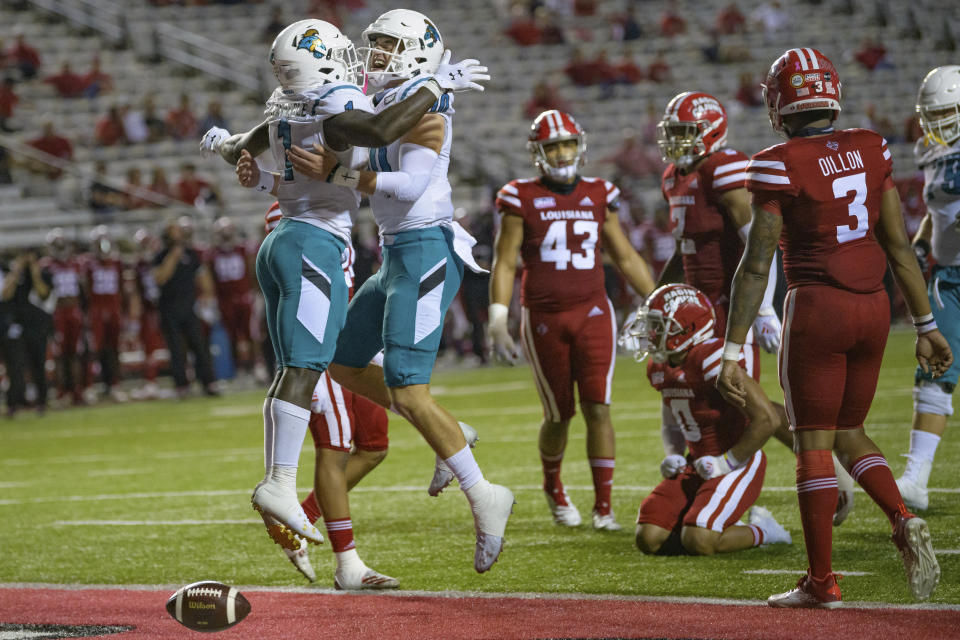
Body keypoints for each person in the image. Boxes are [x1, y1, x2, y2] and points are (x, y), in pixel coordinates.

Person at [202, 17, 494, 585]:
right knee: (312, 377)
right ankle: (284, 488)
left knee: (325, 379)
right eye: (363, 46)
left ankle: (435, 444)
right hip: (315, 241)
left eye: (384, 45)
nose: (368, 55)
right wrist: (440, 83)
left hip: (291, 237)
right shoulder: (336, 103)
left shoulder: (285, 102)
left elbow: (261, 155)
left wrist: (230, 151)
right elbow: (382, 130)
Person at [716, 47, 952, 607]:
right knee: (849, 429)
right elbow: (898, 245)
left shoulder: (778, 161)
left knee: (813, 445)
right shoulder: (872, 148)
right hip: (873, 307)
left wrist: (731, 348)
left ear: (780, 101)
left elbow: (757, 262)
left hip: (818, 306)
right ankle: (899, 516)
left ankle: (821, 582)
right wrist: (925, 323)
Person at [282, 10, 513, 575]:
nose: (376, 52)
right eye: (375, 42)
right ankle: (453, 435)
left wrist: (338, 175)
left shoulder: (427, 102)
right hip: (394, 255)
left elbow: (409, 187)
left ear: (416, 50)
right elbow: (356, 154)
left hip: (427, 248)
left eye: (388, 43)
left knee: (410, 392)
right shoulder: (381, 100)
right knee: (342, 360)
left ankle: (485, 493)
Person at [487, 110, 656, 530]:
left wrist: (655, 301)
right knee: (559, 414)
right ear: (537, 153)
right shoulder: (518, 196)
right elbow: (505, 261)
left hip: (594, 312)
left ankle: (604, 506)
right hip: (544, 317)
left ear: (580, 146)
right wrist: (497, 317)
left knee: (599, 406)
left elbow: (624, 255)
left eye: (566, 144)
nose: (561, 153)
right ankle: (554, 486)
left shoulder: (601, 192)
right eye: (552, 146)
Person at [622, 284, 791, 556]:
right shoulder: (659, 366)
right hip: (698, 462)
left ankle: (765, 531)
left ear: (687, 329)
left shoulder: (711, 357)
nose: (650, 333)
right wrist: (674, 454)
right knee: (648, 536)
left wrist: (726, 463)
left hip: (738, 461)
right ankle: (705, 518)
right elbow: (671, 420)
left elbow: (767, 420)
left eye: (659, 325)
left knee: (699, 540)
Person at [895, 66, 960, 511]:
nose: (937, 122)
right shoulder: (931, 151)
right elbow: (936, 211)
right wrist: (919, 246)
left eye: (946, 112)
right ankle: (915, 478)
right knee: (935, 366)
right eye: (931, 114)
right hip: (950, 277)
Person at [152, 218, 218, 399]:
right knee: (176, 348)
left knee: (199, 345)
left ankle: (208, 382)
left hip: (189, 306)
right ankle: (181, 385)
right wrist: (174, 255)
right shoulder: (161, 255)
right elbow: (160, 278)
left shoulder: (192, 254)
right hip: (168, 307)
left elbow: (203, 277)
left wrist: (207, 297)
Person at [0, 247, 53, 415]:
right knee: (15, 366)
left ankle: (41, 402)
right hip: (16, 325)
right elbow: (5, 294)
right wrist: (17, 270)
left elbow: (43, 294)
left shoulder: (43, 273)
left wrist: (35, 271)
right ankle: (14, 402)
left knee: (38, 364)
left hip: (37, 325)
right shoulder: (11, 273)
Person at [41, 229, 86, 406]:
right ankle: (62, 393)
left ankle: (77, 392)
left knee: (75, 354)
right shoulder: (46, 265)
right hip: (57, 312)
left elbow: (84, 292)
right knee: (60, 356)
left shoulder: (76, 263)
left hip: (74, 312)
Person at [208, 217, 257, 375]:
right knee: (231, 336)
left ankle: (256, 365)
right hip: (225, 300)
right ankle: (238, 369)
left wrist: (254, 291)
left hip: (244, 296)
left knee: (251, 333)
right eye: (222, 232)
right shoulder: (213, 253)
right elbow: (211, 277)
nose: (226, 235)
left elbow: (251, 271)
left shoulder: (243, 249)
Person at [83, 227, 127, 402]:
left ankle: (114, 384)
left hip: (113, 309)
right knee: (94, 349)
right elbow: (85, 290)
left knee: (114, 349)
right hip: (96, 311)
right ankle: (89, 386)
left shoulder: (117, 263)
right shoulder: (88, 264)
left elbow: (122, 289)